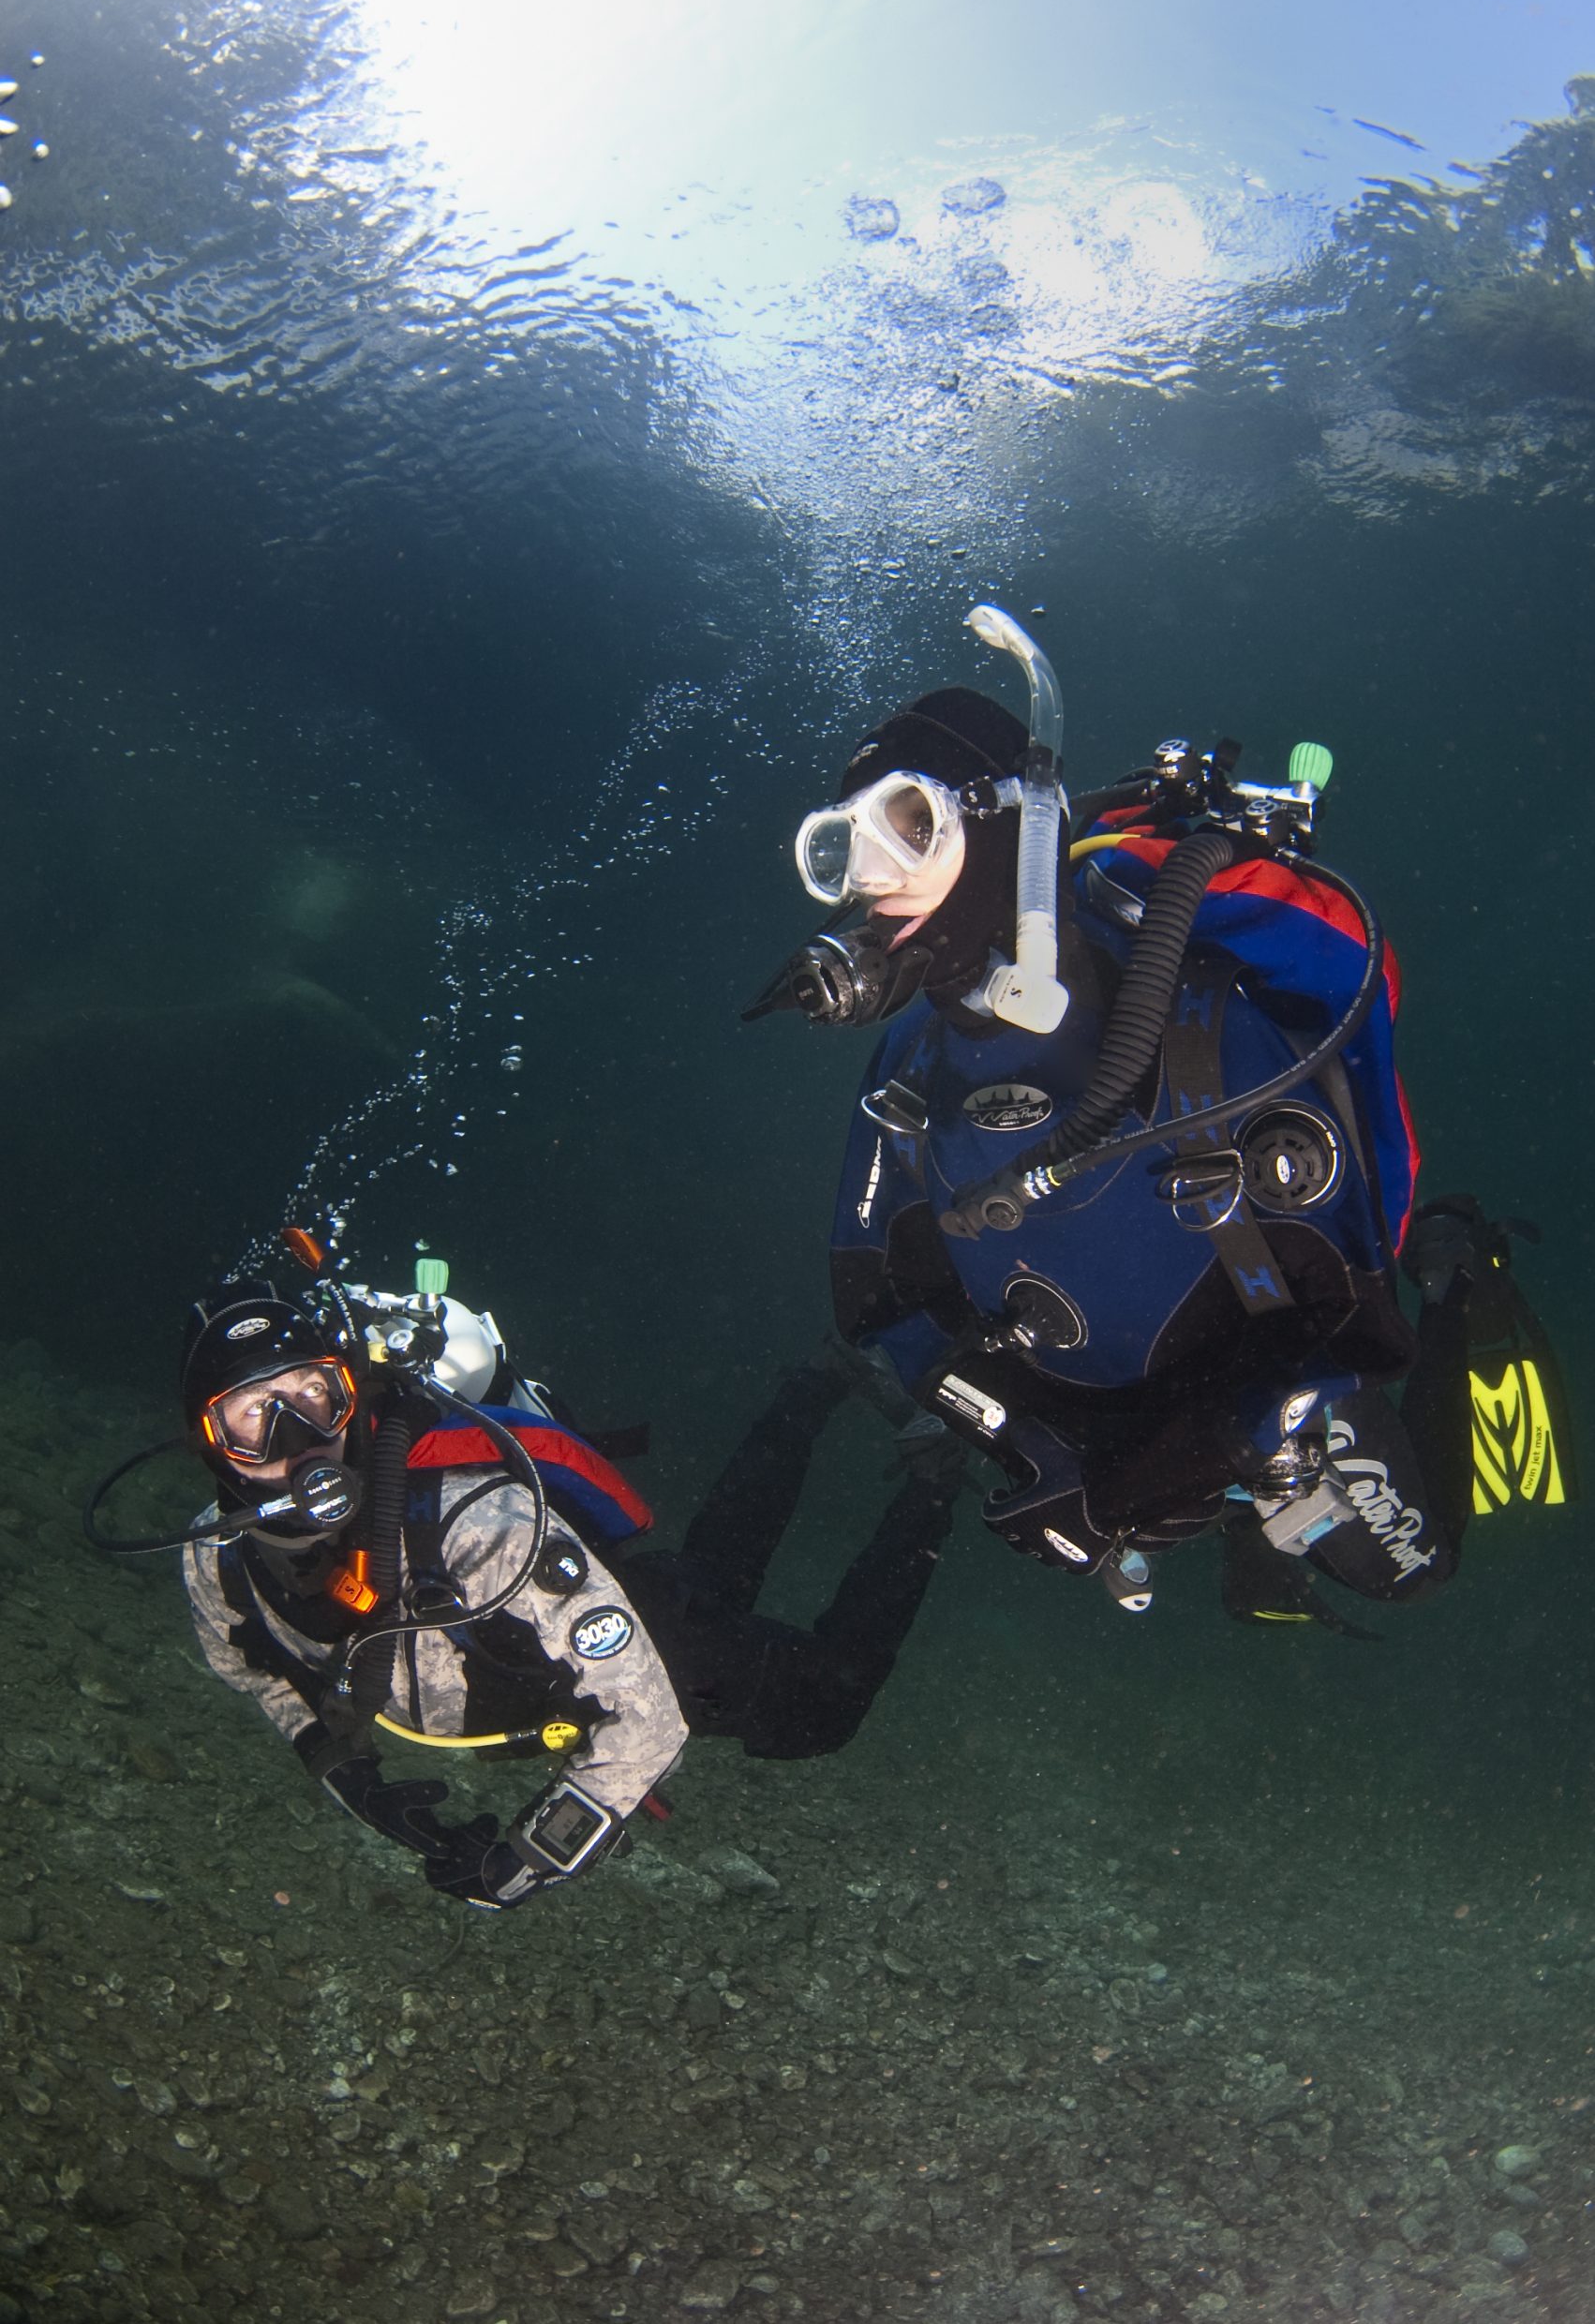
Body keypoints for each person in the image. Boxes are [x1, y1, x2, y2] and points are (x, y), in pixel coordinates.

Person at [744, 604, 1573, 1622]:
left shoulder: (1152, 949)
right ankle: (1242, 1526)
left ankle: (1454, 1270)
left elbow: (1356, 977)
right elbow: (878, 1305)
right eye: (842, 851)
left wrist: (1157, 871)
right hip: (1114, 1431)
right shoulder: (910, 1062)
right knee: (1251, 1553)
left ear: (1007, 812)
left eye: (908, 826)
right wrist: (1048, 1452)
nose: (875, 881)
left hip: (1267, 1398)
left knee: (1411, 1569)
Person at [106, 1258, 961, 1912]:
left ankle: (933, 1483)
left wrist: (527, 1859)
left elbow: (648, 1716)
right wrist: (351, 1776)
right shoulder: (215, 1557)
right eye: (254, 1417)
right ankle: (813, 1385)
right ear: (208, 1446)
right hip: (563, 1647)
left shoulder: (477, 1521)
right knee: (718, 1566)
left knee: (829, 1706)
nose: (299, 1437)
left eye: (313, 1397)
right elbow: (253, 1669)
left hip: (657, 1654)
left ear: (350, 1397)